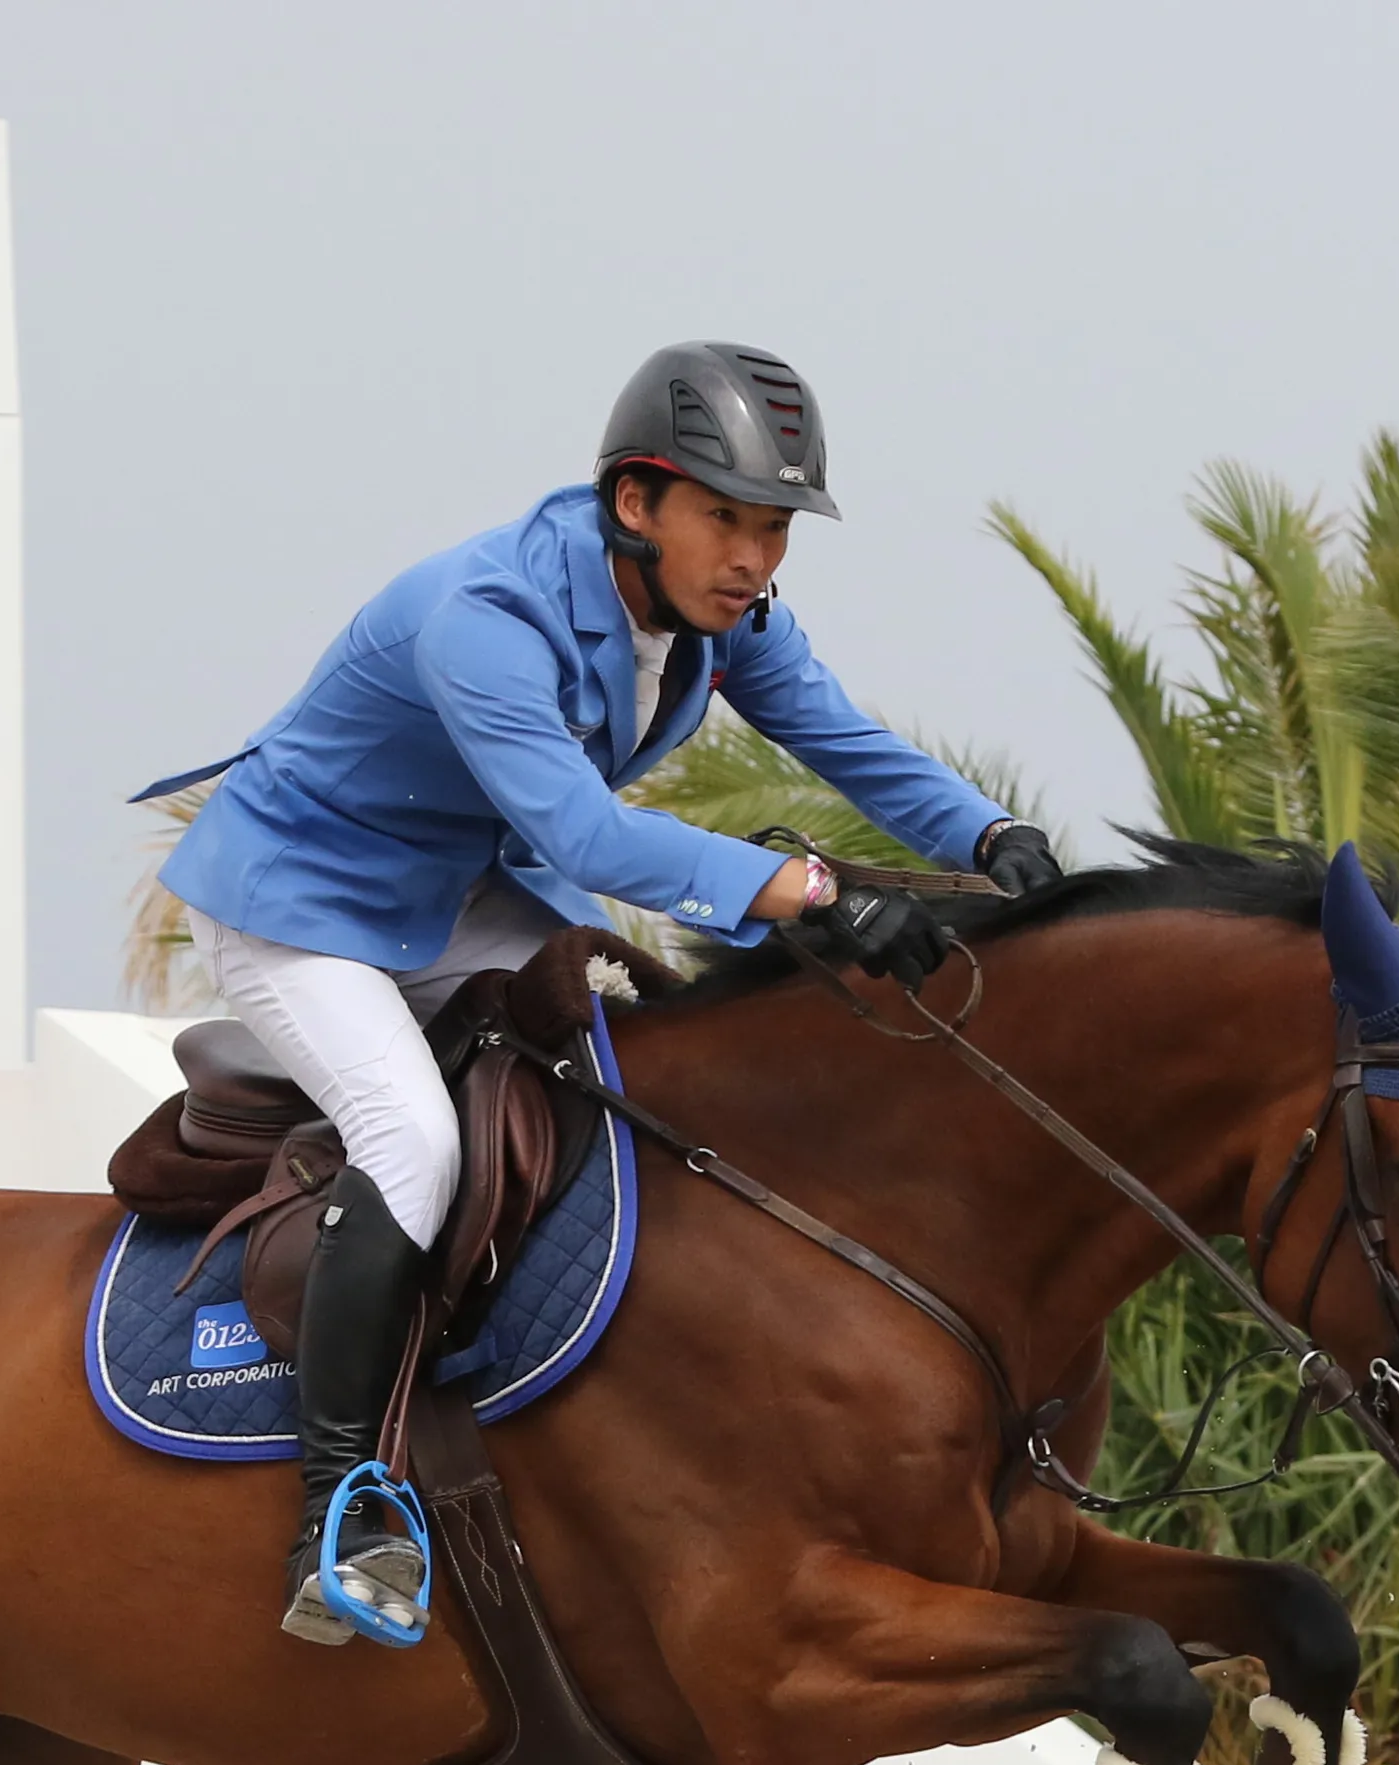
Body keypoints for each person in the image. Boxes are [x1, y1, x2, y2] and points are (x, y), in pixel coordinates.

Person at [149, 343, 1054, 1645]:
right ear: (636, 503)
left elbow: (842, 740)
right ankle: (340, 1504)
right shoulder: (486, 614)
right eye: (726, 520)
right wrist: (814, 892)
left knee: (655, 1069)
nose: (753, 558)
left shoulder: (719, 619)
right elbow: (584, 837)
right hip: (302, 909)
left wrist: (988, 837)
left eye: (774, 529)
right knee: (410, 1140)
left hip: (457, 890)